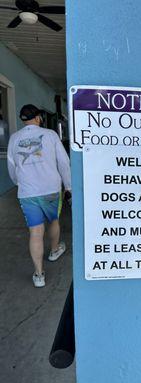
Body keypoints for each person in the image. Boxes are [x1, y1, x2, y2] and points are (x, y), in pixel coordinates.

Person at [7, 104, 71, 288]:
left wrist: (19, 183)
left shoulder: (14, 138)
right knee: (54, 221)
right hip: (50, 189)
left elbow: (12, 167)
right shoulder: (50, 135)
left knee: (35, 232)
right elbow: (63, 162)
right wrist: (68, 185)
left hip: (28, 192)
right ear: (39, 118)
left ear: (23, 120)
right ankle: (54, 250)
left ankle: (39, 274)